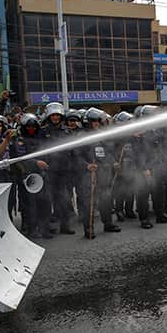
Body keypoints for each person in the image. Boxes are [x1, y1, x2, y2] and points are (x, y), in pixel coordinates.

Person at [76, 108, 121, 238]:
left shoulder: (101, 135)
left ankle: (108, 224)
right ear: (87, 122)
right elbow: (76, 156)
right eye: (93, 121)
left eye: (97, 121)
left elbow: (108, 152)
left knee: (106, 200)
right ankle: (88, 228)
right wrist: (86, 165)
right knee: (88, 203)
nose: (96, 123)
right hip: (88, 175)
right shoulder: (81, 136)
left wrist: (114, 162)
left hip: (103, 173)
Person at [41, 102, 75, 235]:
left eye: (57, 115)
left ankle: (65, 226)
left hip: (64, 171)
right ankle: (47, 228)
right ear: (49, 116)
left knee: (65, 200)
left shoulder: (67, 132)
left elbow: (73, 151)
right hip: (49, 171)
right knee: (47, 200)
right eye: (53, 115)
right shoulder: (43, 132)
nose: (55, 118)